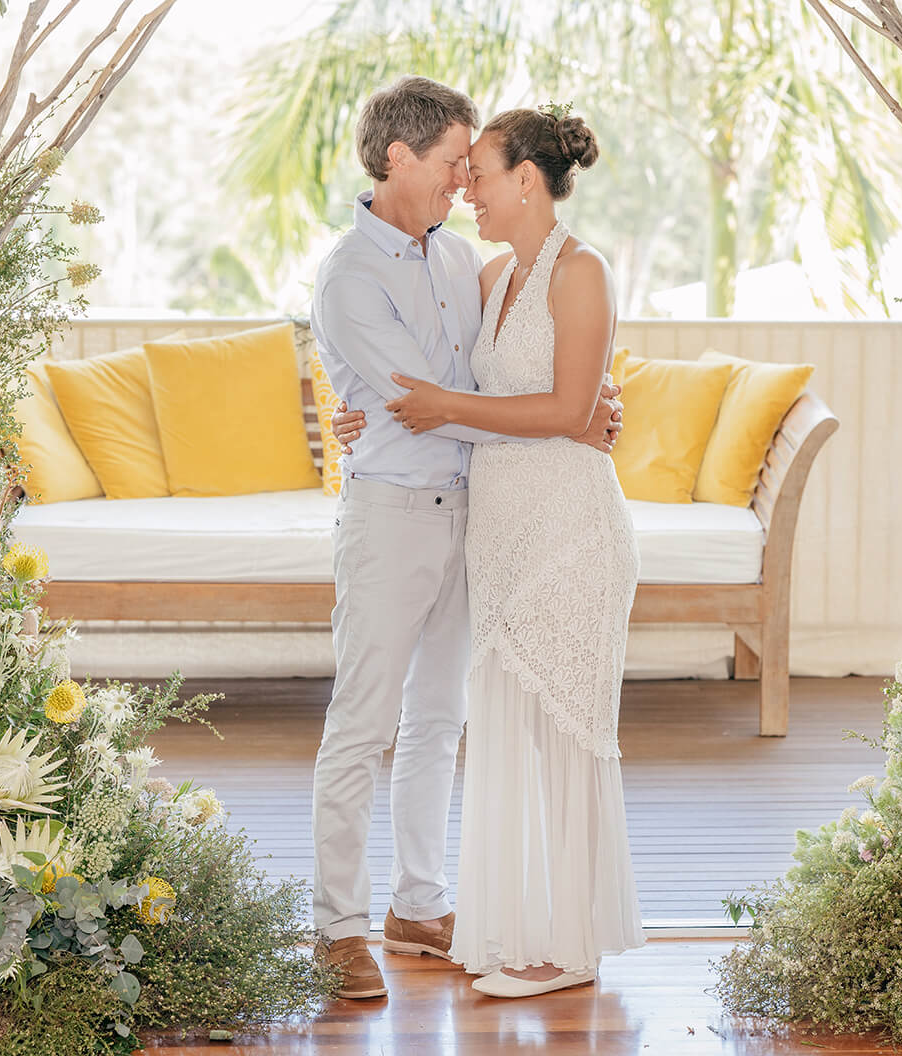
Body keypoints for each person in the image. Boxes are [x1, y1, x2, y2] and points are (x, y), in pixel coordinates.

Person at [307, 76, 623, 1001]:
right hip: (392, 517)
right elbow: (421, 401)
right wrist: (569, 417)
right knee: (363, 723)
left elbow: (504, 374)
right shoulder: (351, 276)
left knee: (439, 720)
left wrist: (586, 403)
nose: (461, 181)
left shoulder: (461, 260)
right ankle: (337, 927)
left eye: (472, 167)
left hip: (478, 516)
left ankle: (417, 902)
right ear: (398, 158)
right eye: (453, 163)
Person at [382, 104, 645, 998]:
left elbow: (571, 409)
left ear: (526, 180)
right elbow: (439, 370)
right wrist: (366, 413)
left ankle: (572, 949)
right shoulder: (492, 274)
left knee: (567, 737)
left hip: (571, 532)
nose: (468, 190)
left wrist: (449, 409)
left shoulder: (583, 271)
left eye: (481, 175)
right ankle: (516, 930)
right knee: (508, 737)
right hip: (501, 539)